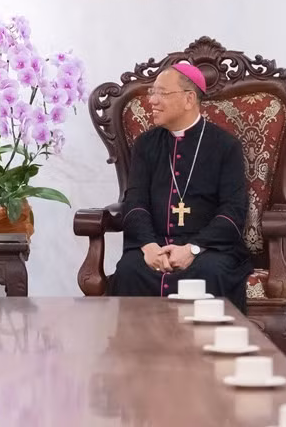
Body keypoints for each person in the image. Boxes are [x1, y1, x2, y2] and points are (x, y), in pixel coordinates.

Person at [107, 63, 252, 312]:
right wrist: (149, 247)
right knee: (129, 270)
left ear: (189, 99)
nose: (152, 100)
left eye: (162, 93)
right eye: (152, 92)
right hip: (154, 245)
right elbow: (135, 202)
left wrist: (192, 249)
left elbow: (233, 210)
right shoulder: (145, 144)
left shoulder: (226, 146)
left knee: (210, 272)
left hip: (208, 249)